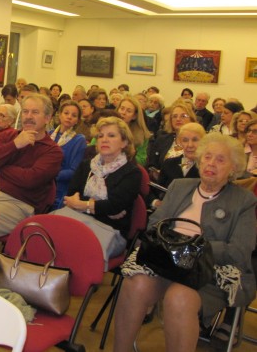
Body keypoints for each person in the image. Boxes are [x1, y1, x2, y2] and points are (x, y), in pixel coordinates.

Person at [114, 134, 256, 352]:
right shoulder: (179, 186)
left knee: (178, 297)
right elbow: (154, 224)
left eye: (220, 159)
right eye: (207, 157)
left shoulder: (243, 201)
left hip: (210, 272)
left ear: (233, 168)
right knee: (135, 284)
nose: (211, 163)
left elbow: (239, 251)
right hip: (166, 262)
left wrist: (193, 248)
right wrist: (175, 248)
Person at [61, 116, 141, 263]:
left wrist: (82, 204)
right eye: (100, 136)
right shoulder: (86, 165)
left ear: (124, 142)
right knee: (49, 233)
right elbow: (71, 195)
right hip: (78, 220)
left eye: (111, 135)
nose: (104, 140)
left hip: (110, 231)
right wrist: (98, 207)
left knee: (75, 248)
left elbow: (114, 206)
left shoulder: (132, 173)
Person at [0, 94, 63, 236]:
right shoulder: (8, 136)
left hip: (18, 203)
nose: (28, 116)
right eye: (25, 111)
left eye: (35, 112)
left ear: (47, 118)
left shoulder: (53, 151)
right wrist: (15, 145)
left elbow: (29, 180)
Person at [147, 122, 205, 209]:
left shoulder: (207, 168)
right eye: (185, 140)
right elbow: (157, 190)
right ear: (180, 143)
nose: (190, 145)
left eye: (195, 140)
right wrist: (156, 202)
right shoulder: (169, 163)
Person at [49, 100, 86, 210]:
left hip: (60, 187)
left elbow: (74, 171)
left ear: (77, 121)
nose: (69, 117)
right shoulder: (49, 134)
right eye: (66, 113)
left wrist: (50, 174)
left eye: (74, 115)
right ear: (60, 115)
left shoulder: (79, 140)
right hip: (43, 181)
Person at [146, 100, 197, 177]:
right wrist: (154, 172)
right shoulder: (162, 139)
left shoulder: (198, 142)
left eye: (183, 116)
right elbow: (152, 163)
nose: (178, 119)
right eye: (175, 116)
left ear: (191, 119)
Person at [116, 96, 151, 165]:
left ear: (134, 116)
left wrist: (129, 155)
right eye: (122, 108)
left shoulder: (142, 135)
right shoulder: (105, 127)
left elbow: (142, 160)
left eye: (128, 111)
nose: (123, 113)